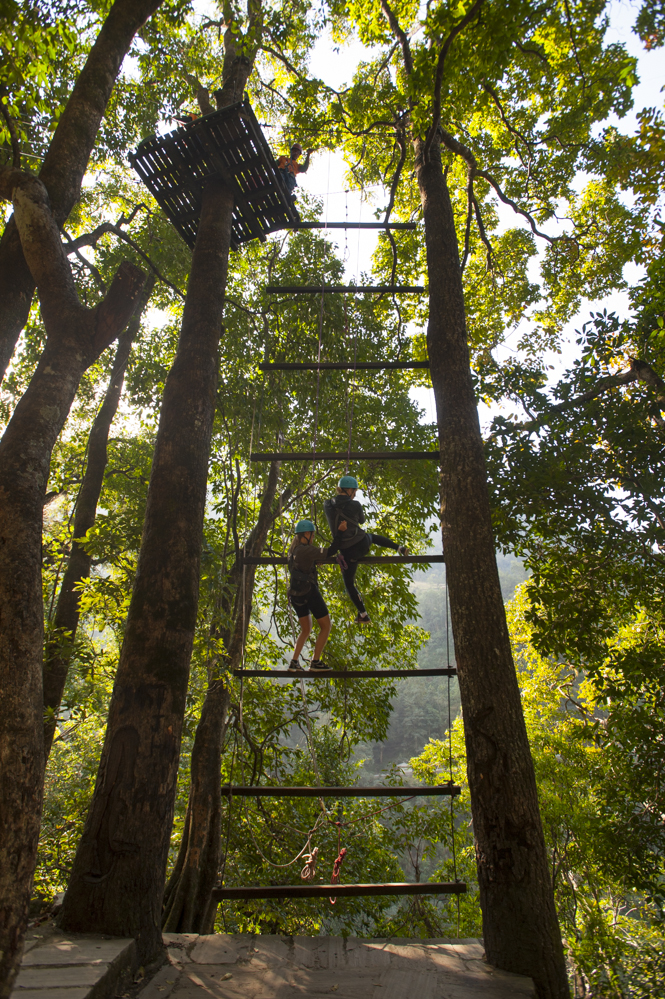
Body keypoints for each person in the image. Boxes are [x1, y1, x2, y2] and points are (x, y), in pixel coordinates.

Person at [323, 476, 408, 625]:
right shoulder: (355, 505)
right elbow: (361, 521)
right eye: (354, 491)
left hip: (345, 551)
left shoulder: (327, 505)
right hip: (361, 545)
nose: (355, 494)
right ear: (349, 490)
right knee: (372, 537)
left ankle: (363, 614)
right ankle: (399, 548)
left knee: (349, 584)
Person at [287, 518, 344, 672]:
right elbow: (330, 551)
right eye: (311, 535)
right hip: (309, 592)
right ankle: (315, 661)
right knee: (326, 626)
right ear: (306, 534)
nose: (313, 538)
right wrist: (340, 532)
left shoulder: (293, 551)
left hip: (295, 594)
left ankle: (294, 662)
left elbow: (302, 565)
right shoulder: (306, 550)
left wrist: (313, 562)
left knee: (306, 629)